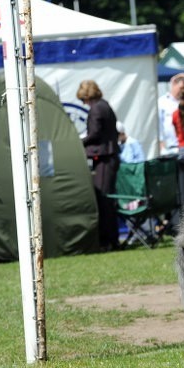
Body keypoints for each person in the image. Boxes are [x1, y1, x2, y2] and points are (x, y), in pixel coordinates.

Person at [77, 80, 120, 251]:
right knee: (108, 200)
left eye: (83, 100)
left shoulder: (95, 109)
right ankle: (112, 239)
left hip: (103, 158)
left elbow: (94, 134)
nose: (83, 103)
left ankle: (107, 241)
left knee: (103, 199)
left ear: (87, 96)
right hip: (110, 156)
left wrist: (79, 141)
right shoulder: (105, 105)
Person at [157, 73, 184, 156]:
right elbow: (158, 126)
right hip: (169, 149)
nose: (183, 91)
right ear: (174, 84)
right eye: (181, 88)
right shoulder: (162, 102)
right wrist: (161, 147)